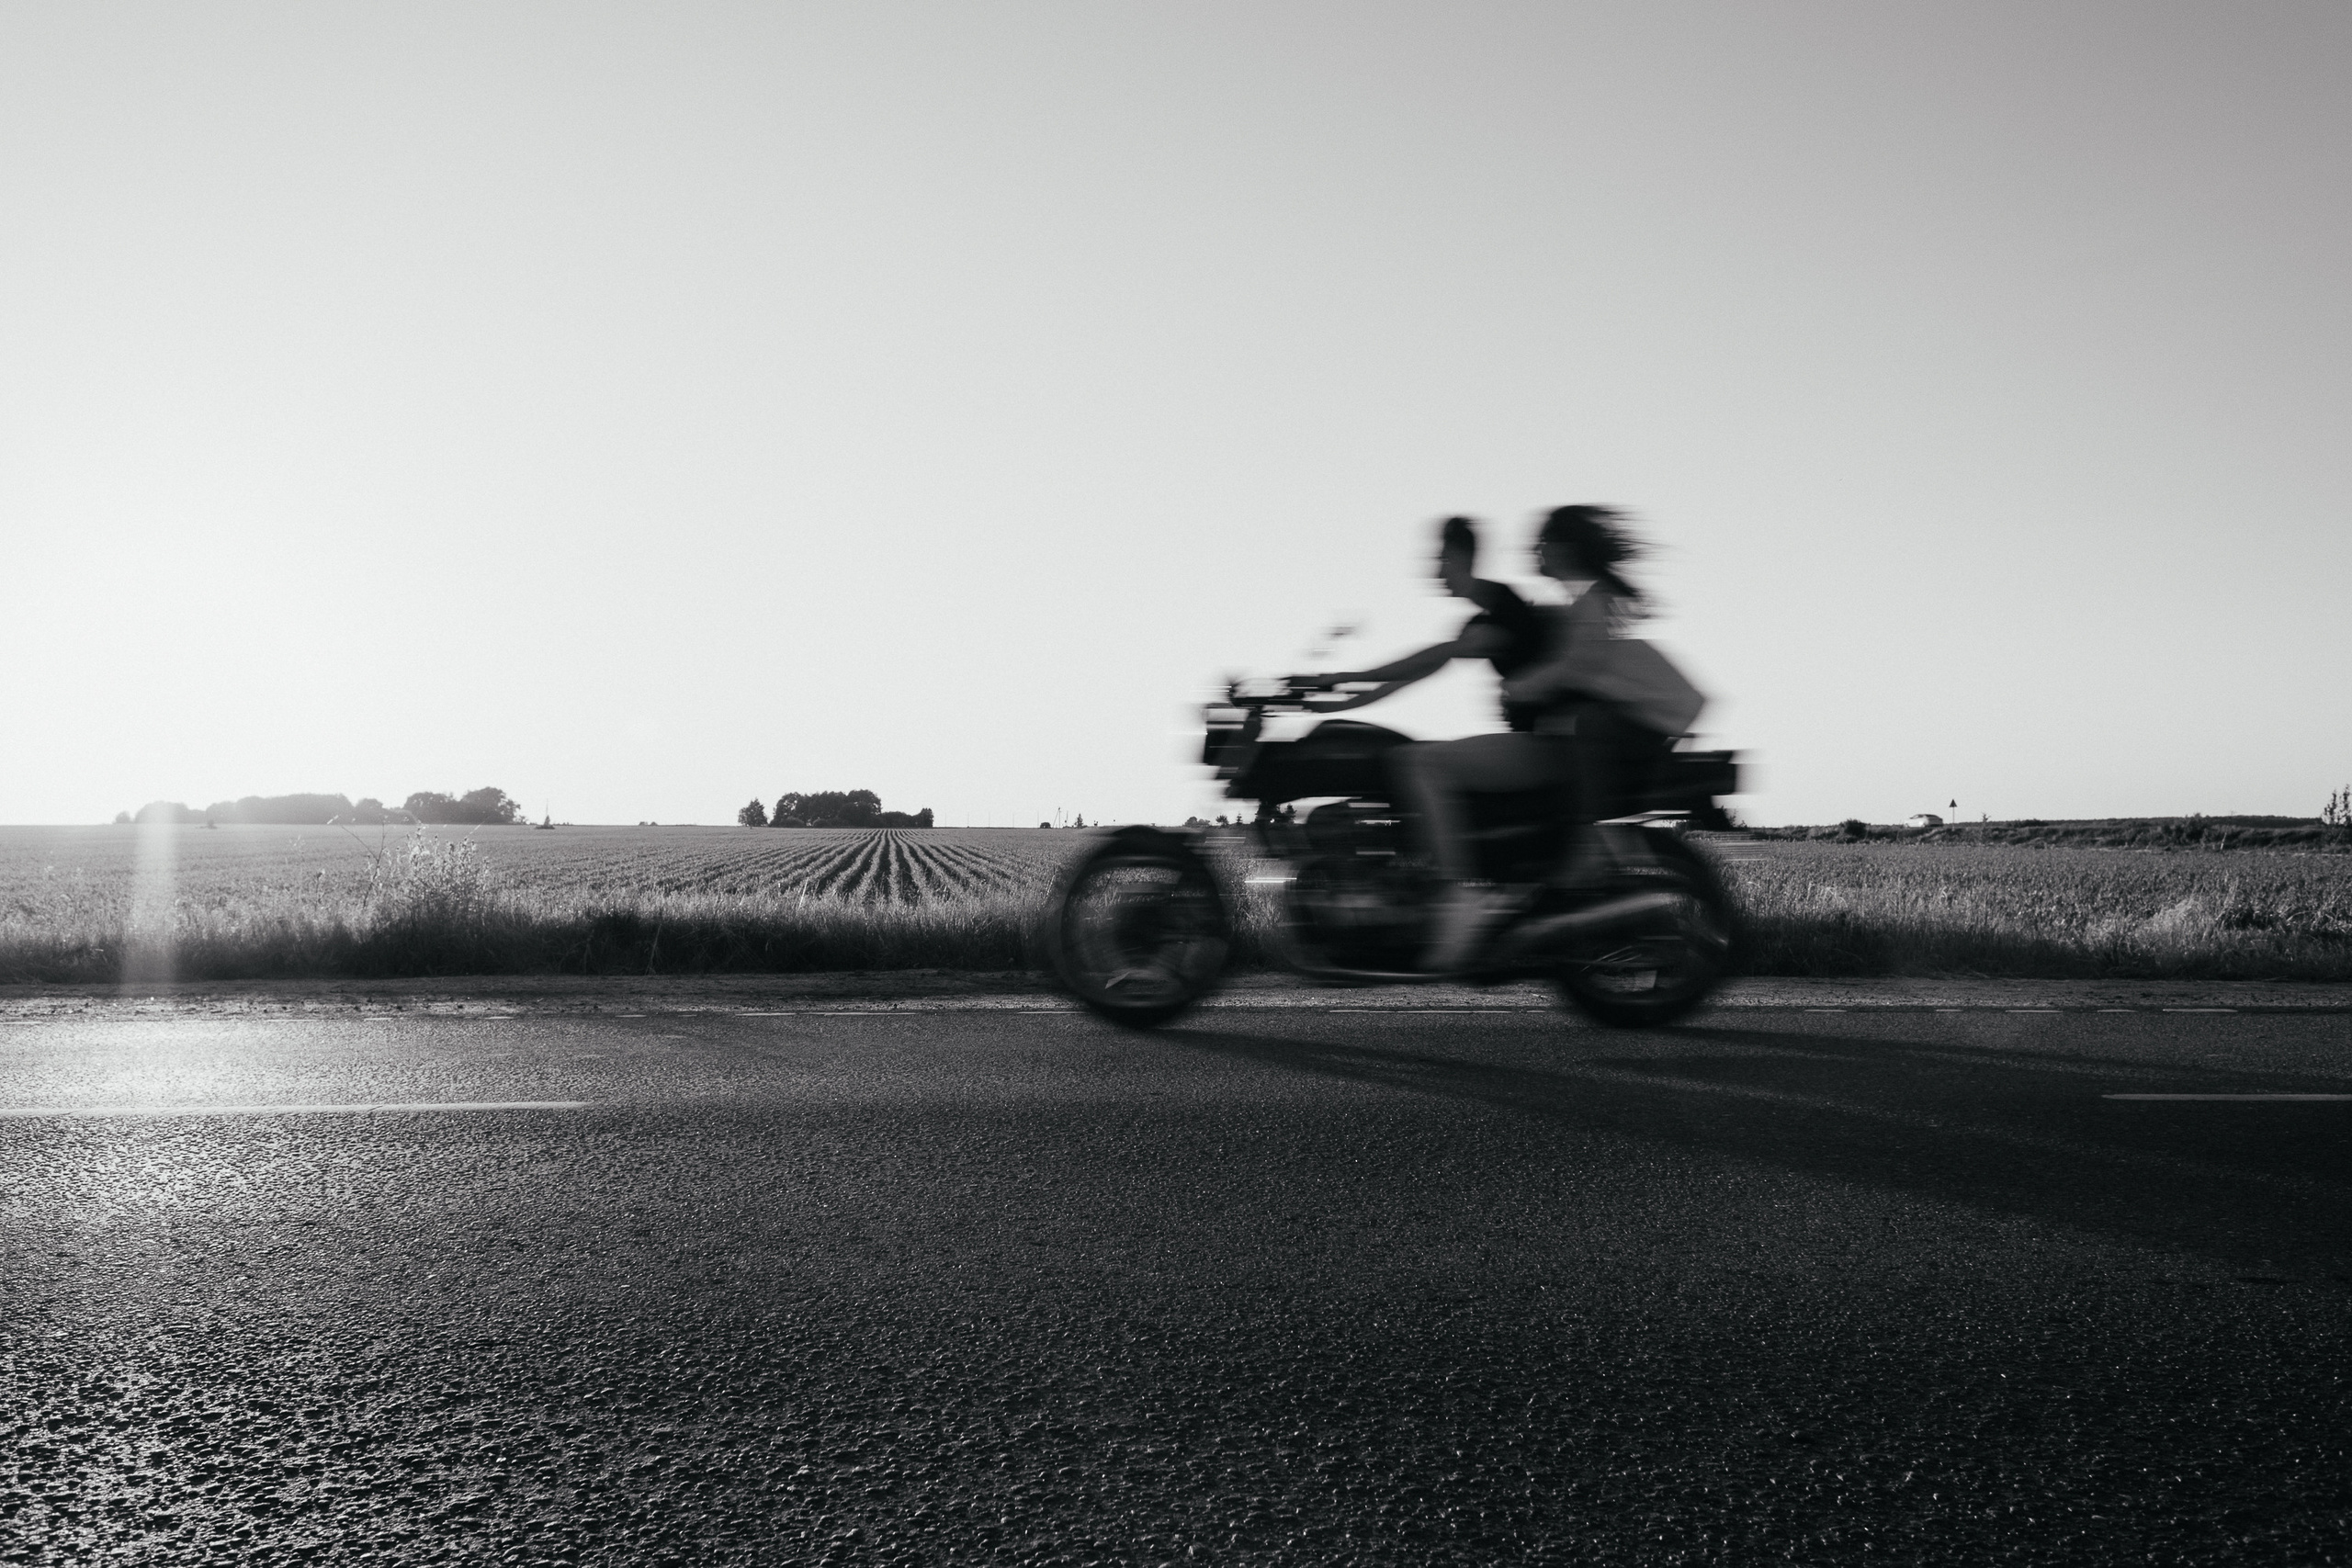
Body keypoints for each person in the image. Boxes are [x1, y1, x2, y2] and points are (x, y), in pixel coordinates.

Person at [1397, 505, 1701, 971]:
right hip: (1628, 721)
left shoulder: (1589, 602)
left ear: (1563, 549)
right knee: (1577, 726)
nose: (1533, 552)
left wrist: (1522, 685)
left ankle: (1578, 844)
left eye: (1540, 544)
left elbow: (1579, 665)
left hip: (1641, 718)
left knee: (1580, 724)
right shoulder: (1573, 604)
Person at [1305, 515, 1544, 720]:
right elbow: (1407, 677)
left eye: (1444, 560)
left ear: (1466, 558)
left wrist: (1345, 678)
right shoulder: (1478, 623)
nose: (1437, 573)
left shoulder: (1505, 605)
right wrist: (1329, 705)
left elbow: (1436, 654)